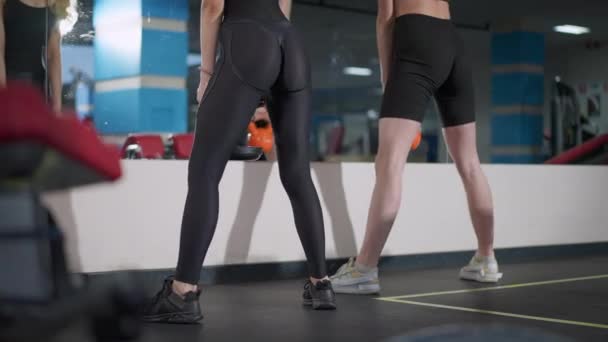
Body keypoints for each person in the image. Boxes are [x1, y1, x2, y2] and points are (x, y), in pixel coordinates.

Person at [142, 0, 336, 323]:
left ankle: (182, 293)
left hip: (247, 40)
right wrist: (270, 67)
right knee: (298, 173)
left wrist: (206, 75)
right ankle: (321, 284)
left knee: (204, 171)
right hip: (290, 41)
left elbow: (212, 6)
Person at [331, 0, 503, 294]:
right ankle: (486, 260)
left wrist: (389, 79)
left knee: (390, 163)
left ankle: (364, 268)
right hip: (452, 40)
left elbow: (386, 17)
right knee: (470, 163)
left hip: (416, 36)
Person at [0, 0, 74, 113]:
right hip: (8, 80)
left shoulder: (56, 4)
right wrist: (4, 96)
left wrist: (57, 106)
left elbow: (53, 56)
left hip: (37, 85)